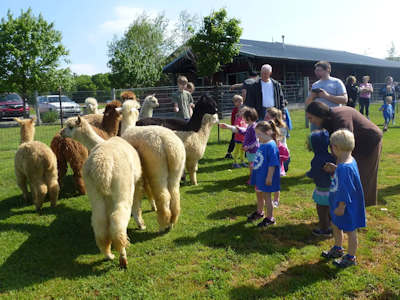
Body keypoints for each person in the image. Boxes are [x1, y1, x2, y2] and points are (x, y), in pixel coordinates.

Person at [306, 101, 383, 206]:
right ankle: (352, 205)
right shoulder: (330, 120)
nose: (311, 122)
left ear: (320, 114)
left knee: (361, 176)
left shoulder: (341, 119)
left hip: (369, 141)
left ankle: (358, 207)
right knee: (350, 175)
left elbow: (343, 146)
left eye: (311, 118)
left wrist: (338, 167)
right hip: (355, 144)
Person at [321, 129, 366, 268]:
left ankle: (351, 258)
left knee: (350, 230)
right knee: (336, 224)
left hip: (346, 205)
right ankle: (338, 248)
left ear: (335, 148)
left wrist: (341, 206)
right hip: (340, 203)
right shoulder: (348, 160)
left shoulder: (344, 168)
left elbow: (346, 190)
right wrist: (335, 169)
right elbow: (346, 179)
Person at [247, 120, 281, 227]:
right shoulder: (262, 143)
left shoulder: (271, 145)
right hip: (260, 175)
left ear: (267, 133)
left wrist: (269, 177)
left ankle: (270, 218)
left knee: (267, 197)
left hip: (266, 176)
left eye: (259, 134)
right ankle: (259, 212)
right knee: (259, 194)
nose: (257, 137)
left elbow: (273, 163)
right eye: (256, 134)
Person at [306, 130, 336, 237]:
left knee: (321, 210)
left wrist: (308, 174)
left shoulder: (316, 159)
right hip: (332, 188)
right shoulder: (331, 156)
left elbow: (314, 173)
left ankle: (324, 229)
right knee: (330, 208)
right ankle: (332, 225)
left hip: (322, 189)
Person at [220, 107, 259, 181]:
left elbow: (256, 140)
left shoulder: (253, 127)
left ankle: (253, 179)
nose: (243, 119)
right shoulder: (250, 126)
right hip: (250, 150)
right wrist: (229, 127)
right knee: (252, 164)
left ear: (249, 118)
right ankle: (254, 178)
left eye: (244, 118)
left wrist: (248, 147)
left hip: (253, 150)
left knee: (252, 165)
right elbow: (245, 131)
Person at [305, 61, 348, 125]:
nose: (316, 72)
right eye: (316, 70)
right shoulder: (315, 85)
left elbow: (344, 100)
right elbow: (307, 103)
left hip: (332, 117)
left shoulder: (337, 82)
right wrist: (312, 96)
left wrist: (326, 96)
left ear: (328, 70)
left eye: (319, 70)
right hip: (317, 118)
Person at [265, 107, 289, 207]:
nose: (265, 117)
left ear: (274, 117)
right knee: (269, 180)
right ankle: (269, 199)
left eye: (267, 115)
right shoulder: (267, 127)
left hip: (278, 155)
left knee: (275, 181)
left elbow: (281, 144)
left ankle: (276, 200)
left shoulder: (281, 128)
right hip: (270, 156)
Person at [223, 95, 243, 159]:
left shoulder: (243, 109)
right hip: (236, 127)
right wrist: (233, 126)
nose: (240, 103)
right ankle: (229, 153)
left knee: (243, 140)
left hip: (242, 128)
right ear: (235, 103)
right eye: (238, 102)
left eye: (241, 101)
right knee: (233, 140)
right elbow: (233, 119)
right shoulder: (235, 110)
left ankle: (245, 153)